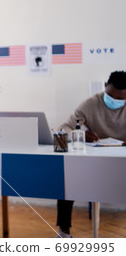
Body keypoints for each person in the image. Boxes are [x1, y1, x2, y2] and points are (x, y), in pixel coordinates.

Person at [56, 70, 126, 238]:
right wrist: (78, 134)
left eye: (121, 99)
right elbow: (63, 129)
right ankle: (64, 233)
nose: (115, 101)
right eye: (111, 96)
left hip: (122, 160)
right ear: (105, 87)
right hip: (95, 159)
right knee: (67, 180)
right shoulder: (90, 104)